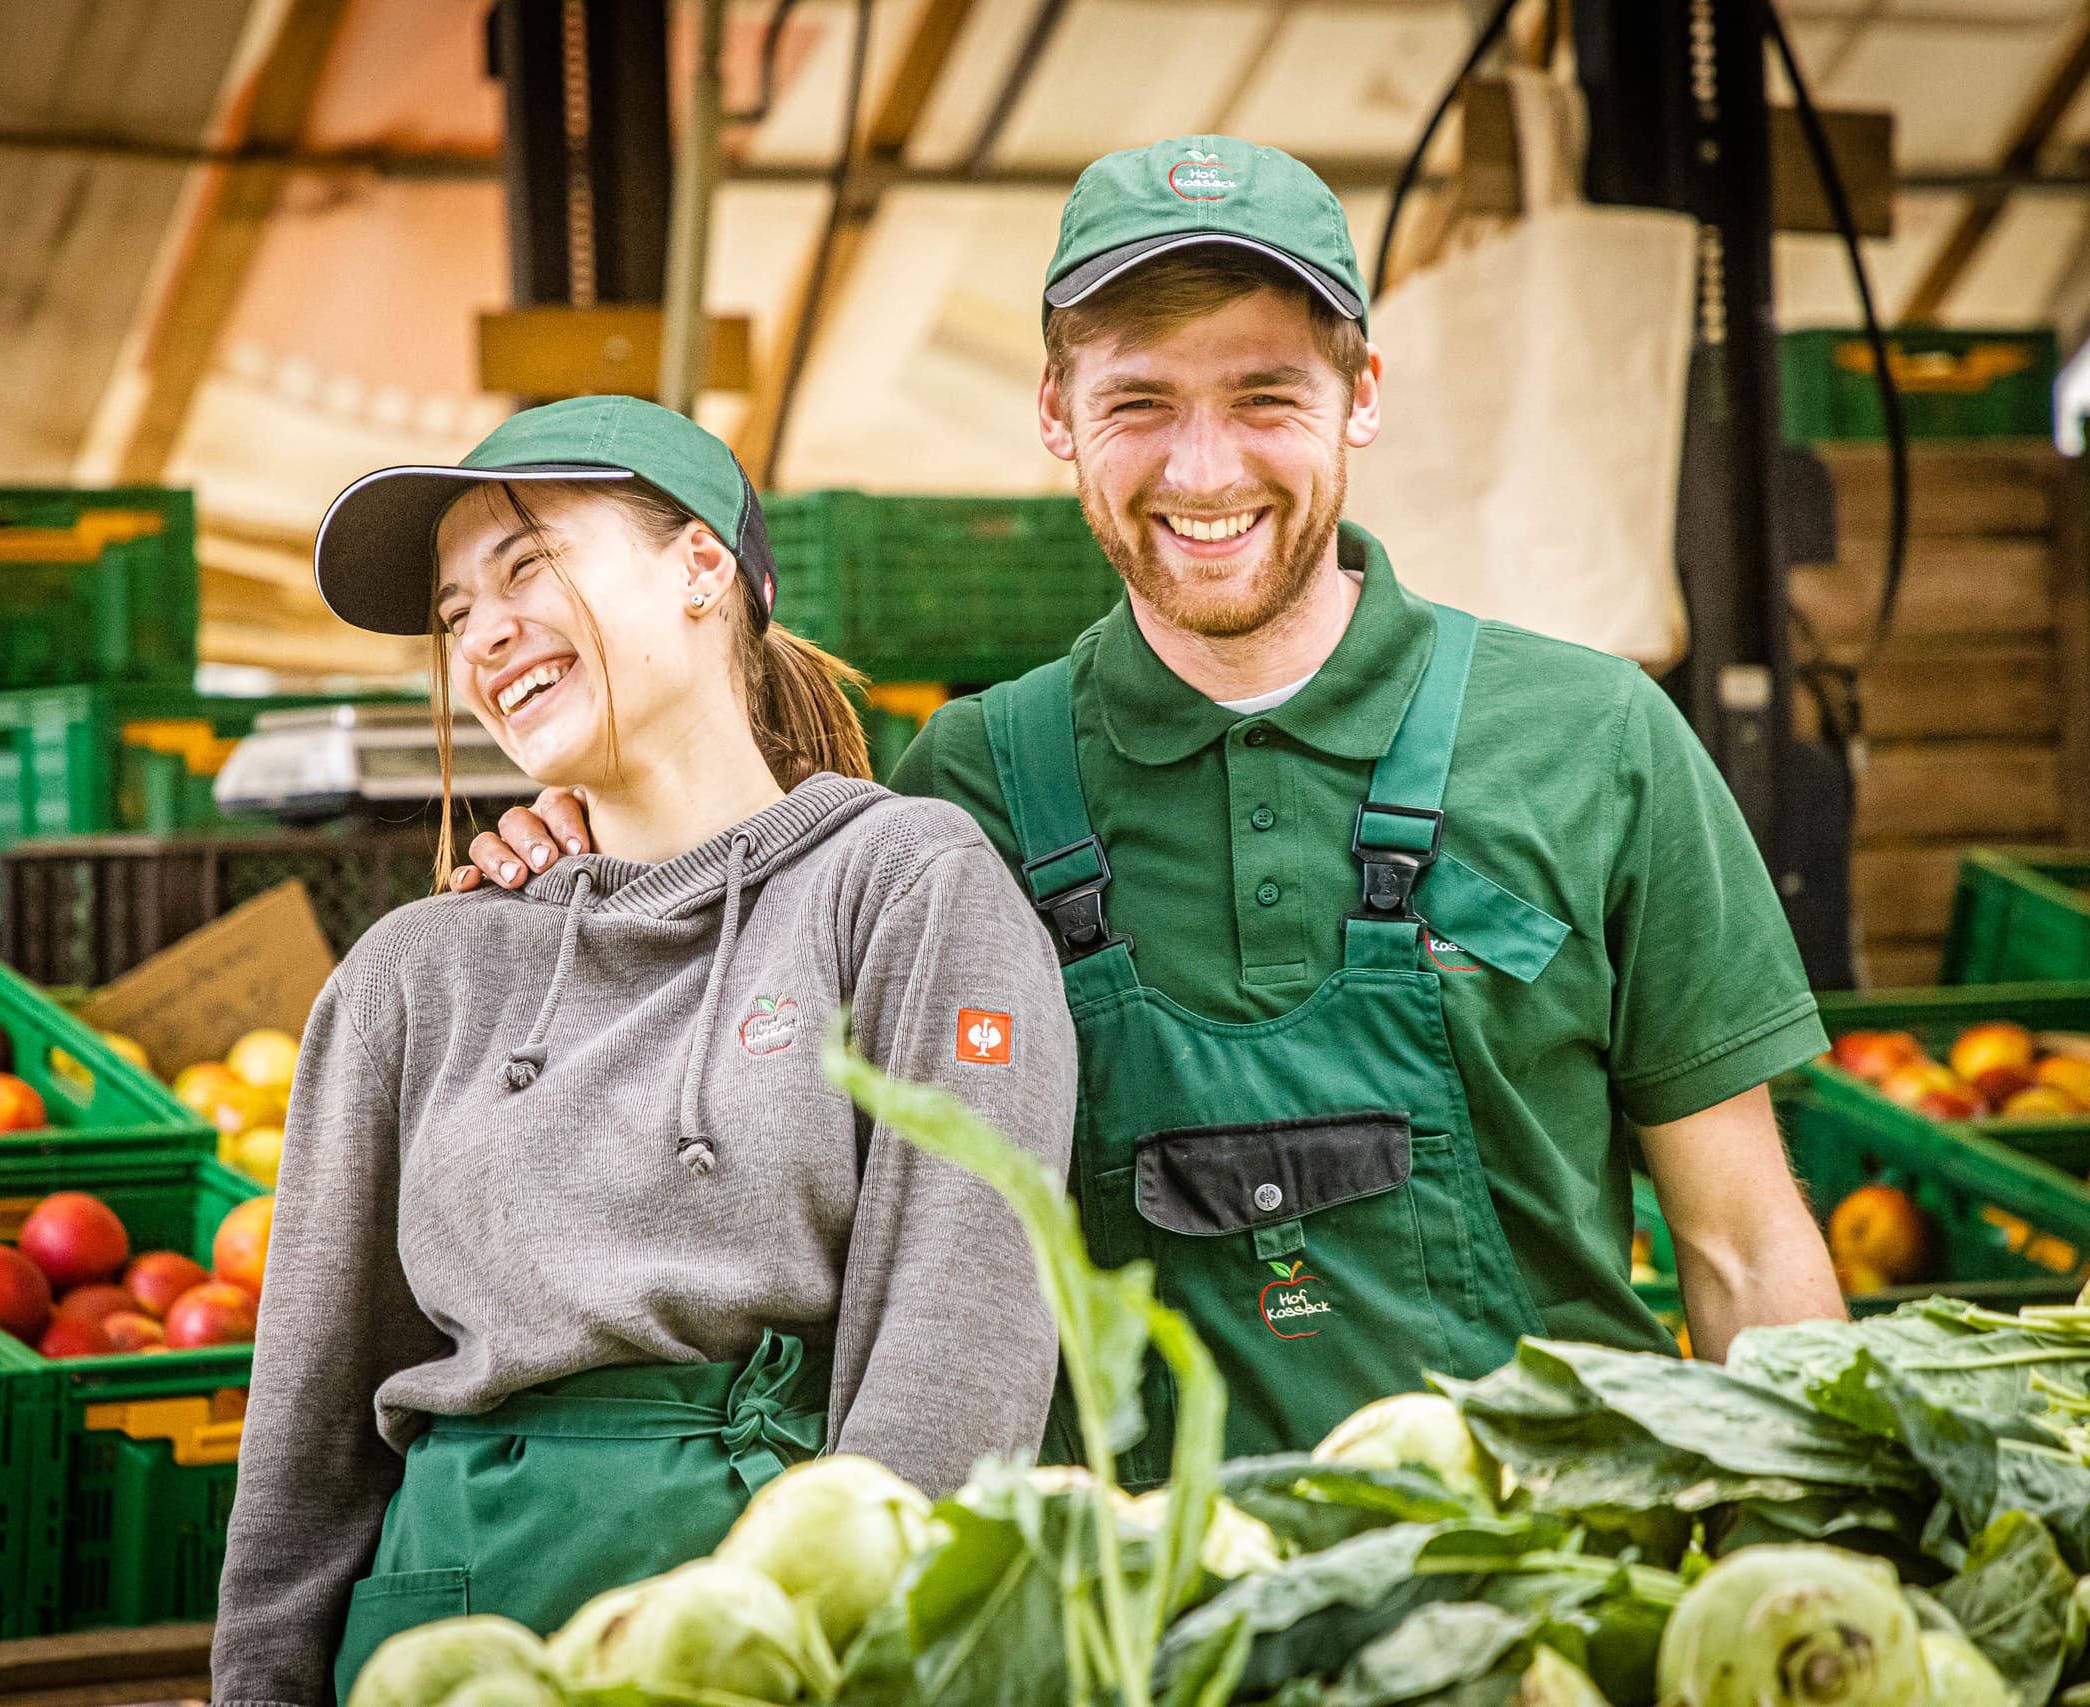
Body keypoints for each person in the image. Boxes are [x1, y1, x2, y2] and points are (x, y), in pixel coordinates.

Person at [461, 139, 1844, 1484]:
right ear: (1055, 413)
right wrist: (595, 857)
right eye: (1139, 403)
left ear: (1362, 394)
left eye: (1264, 396)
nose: (1203, 469)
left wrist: (1813, 1564)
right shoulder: (963, 795)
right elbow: (768, 1156)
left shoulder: (1594, 741)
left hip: (1547, 1582)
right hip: (1131, 1602)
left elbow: (1742, 1250)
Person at [210, 396, 1077, 1706]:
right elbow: (306, 1438)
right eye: (454, 612)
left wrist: (873, 1665)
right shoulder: (408, 976)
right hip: (441, 1645)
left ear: (701, 569)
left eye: (527, 565)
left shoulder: (902, 888)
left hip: (769, 1645)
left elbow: (961, 1344)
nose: (483, 633)